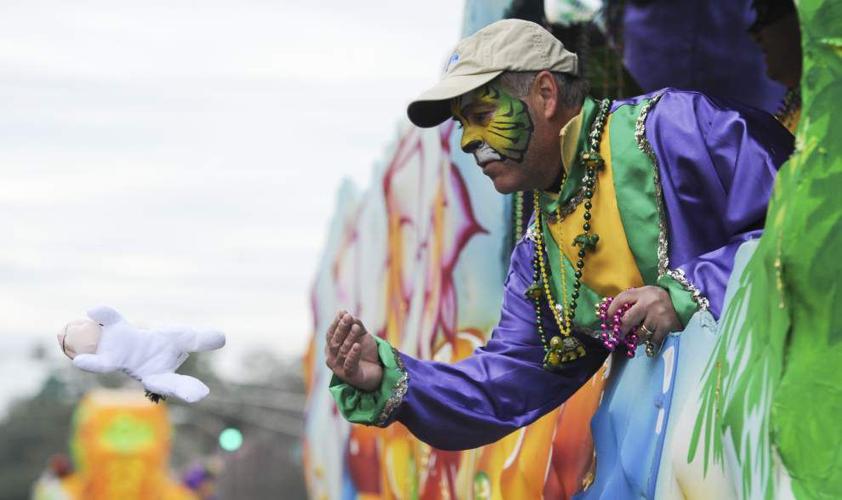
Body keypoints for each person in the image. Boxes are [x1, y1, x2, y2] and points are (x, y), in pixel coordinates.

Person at [324, 19, 793, 451]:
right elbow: (503, 386)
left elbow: (812, 224)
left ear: (546, 94)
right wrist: (388, 376)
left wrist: (689, 292)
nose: (468, 140)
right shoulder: (540, 258)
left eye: (482, 113)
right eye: (463, 124)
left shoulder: (680, 129)